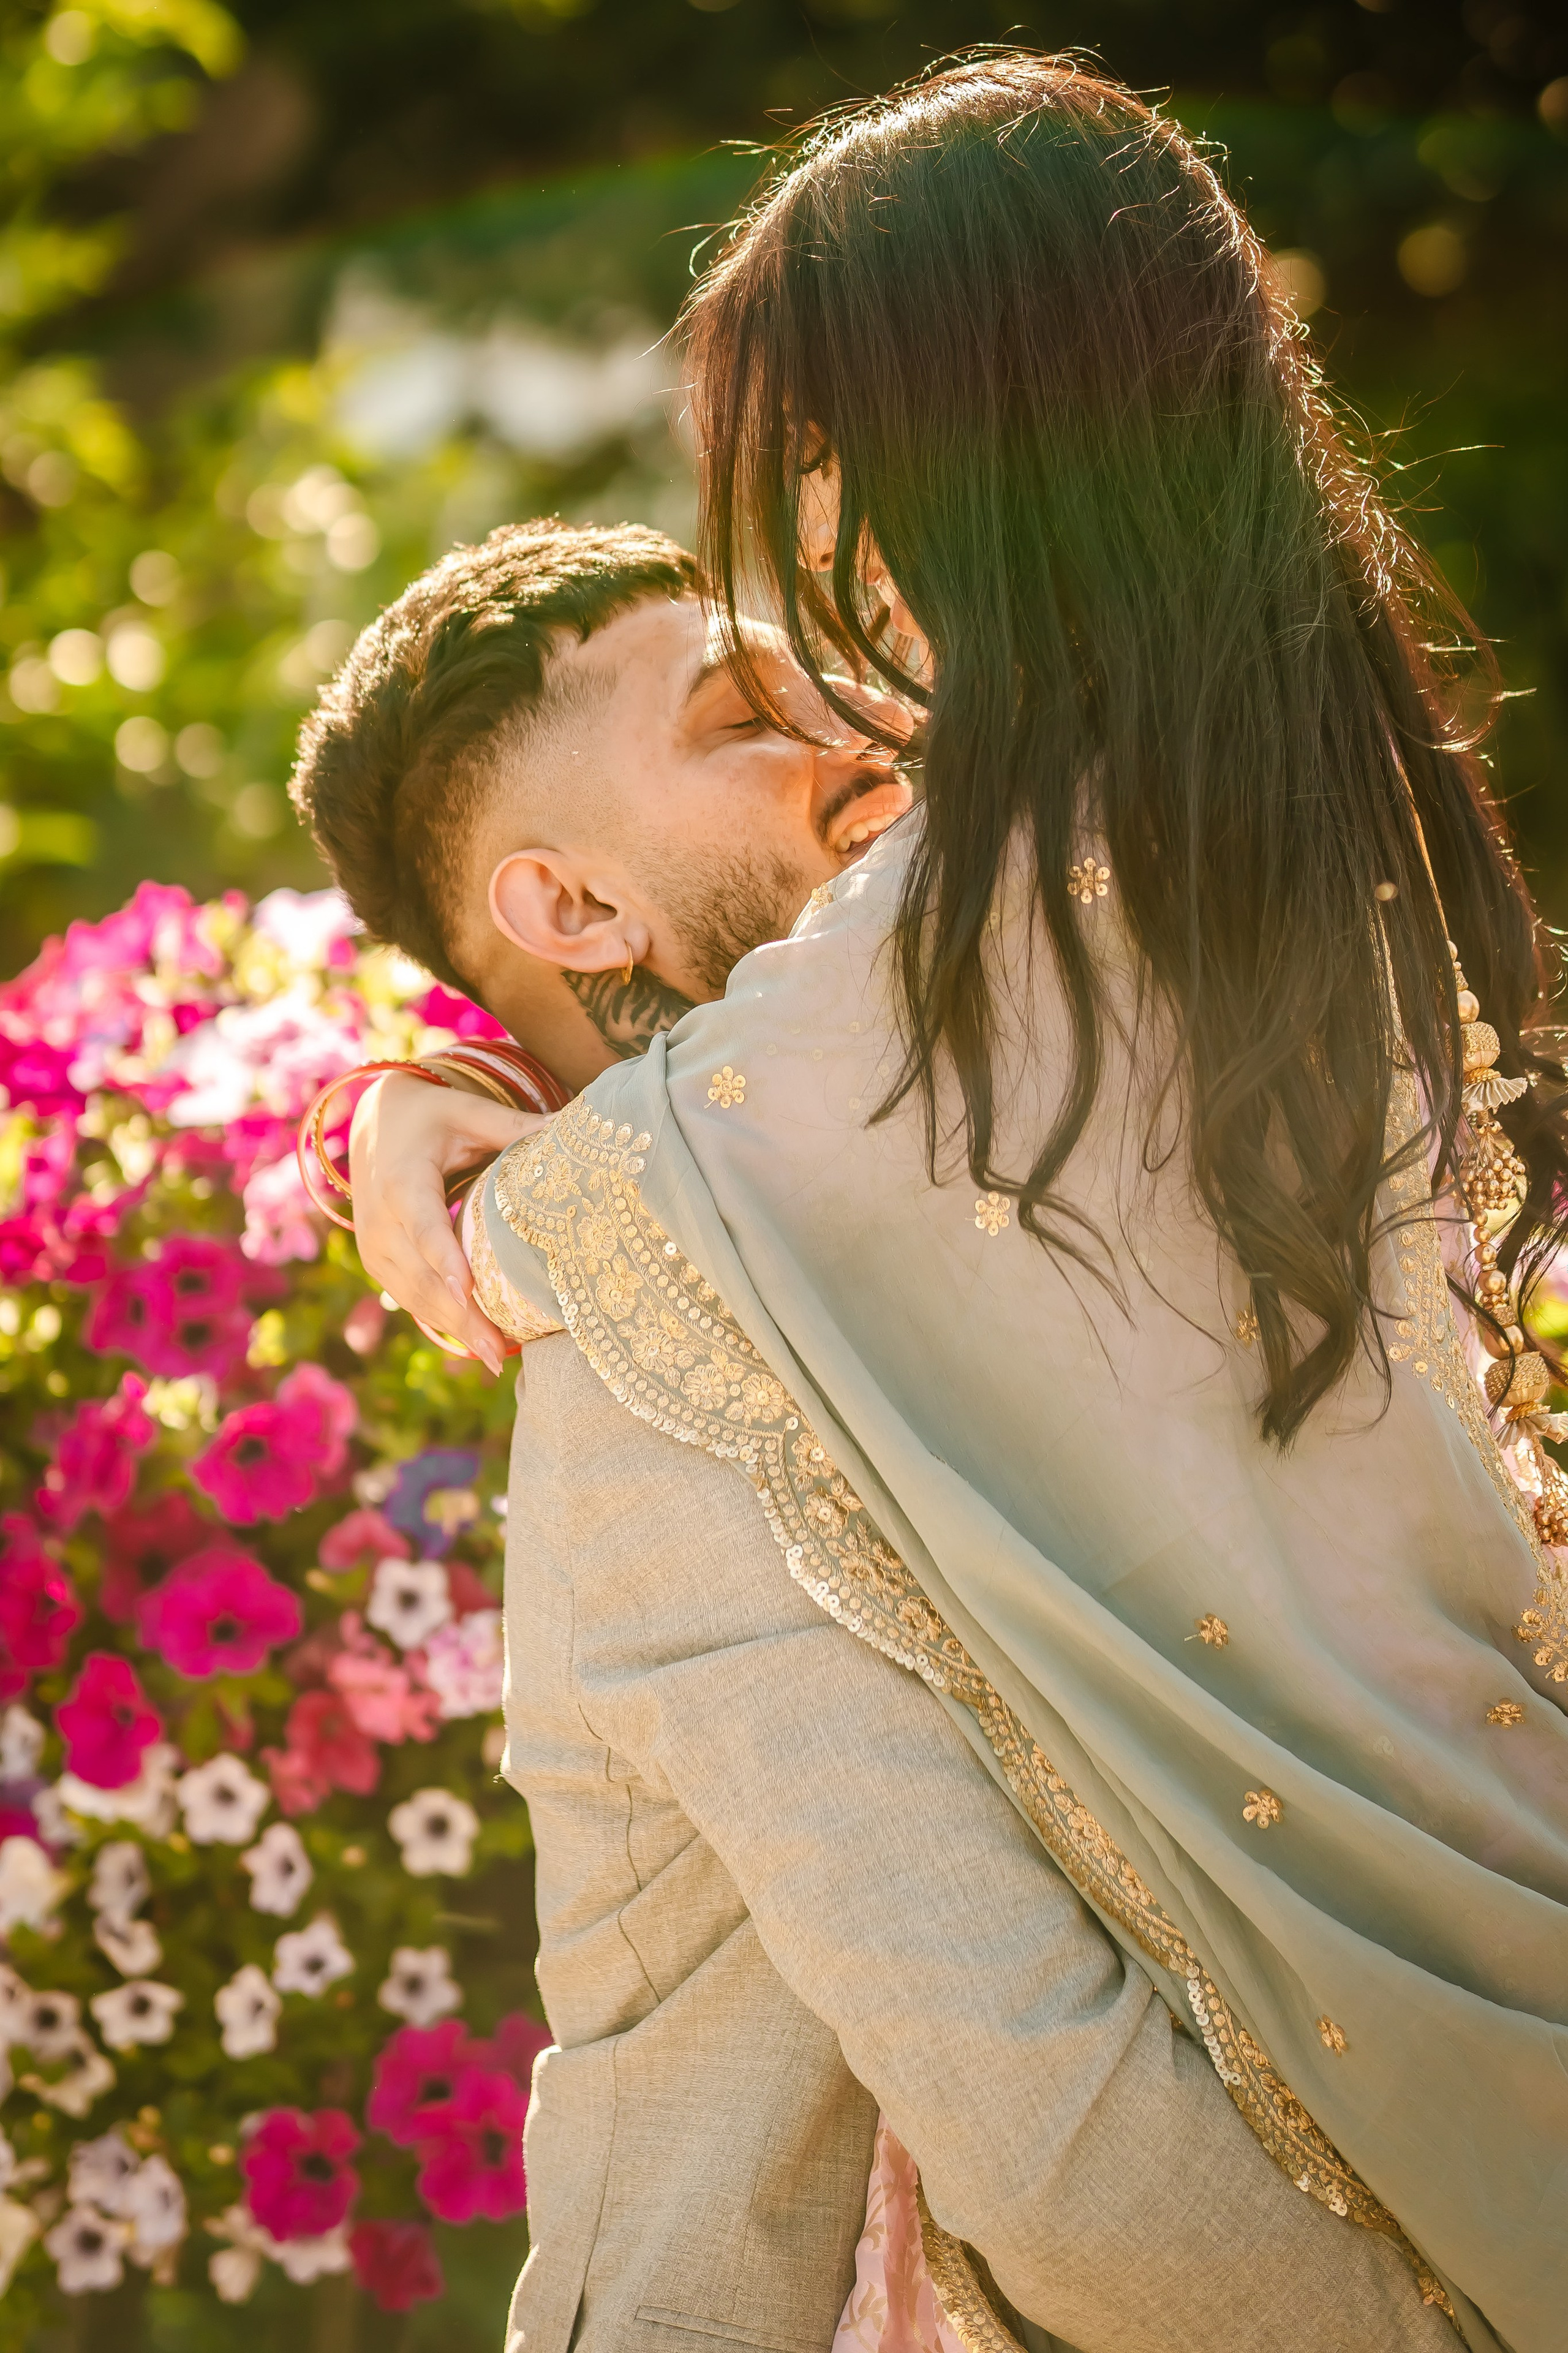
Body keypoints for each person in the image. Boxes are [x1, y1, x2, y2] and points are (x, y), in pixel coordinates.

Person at [292, 517, 1457, 2352]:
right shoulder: (650, 1370)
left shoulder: (1004, 1118)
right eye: (744, 712)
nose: (861, 720)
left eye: (825, 664)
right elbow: (1063, 2141)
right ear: (575, 913)